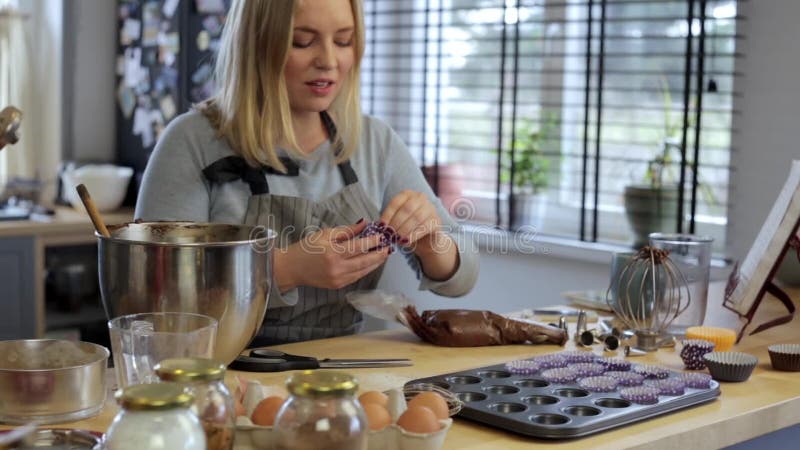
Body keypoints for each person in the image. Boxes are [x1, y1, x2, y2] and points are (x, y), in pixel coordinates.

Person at [135, 0, 479, 345]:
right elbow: (157, 300)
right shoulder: (192, 142)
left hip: (340, 378)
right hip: (220, 376)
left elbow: (462, 278)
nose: (329, 61)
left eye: (343, 41)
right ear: (258, 43)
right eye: (302, 41)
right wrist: (285, 270)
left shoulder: (374, 142)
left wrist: (429, 242)